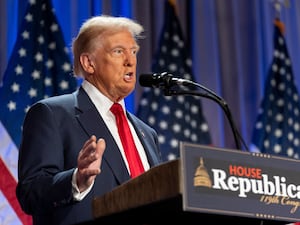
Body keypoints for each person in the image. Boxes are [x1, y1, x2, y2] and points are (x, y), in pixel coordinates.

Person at [16, 15, 162, 225]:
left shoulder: (147, 133)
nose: (130, 61)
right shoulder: (52, 114)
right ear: (89, 63)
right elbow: (31, 193)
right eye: (118, 51)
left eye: (133, 51)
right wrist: (76, 179)